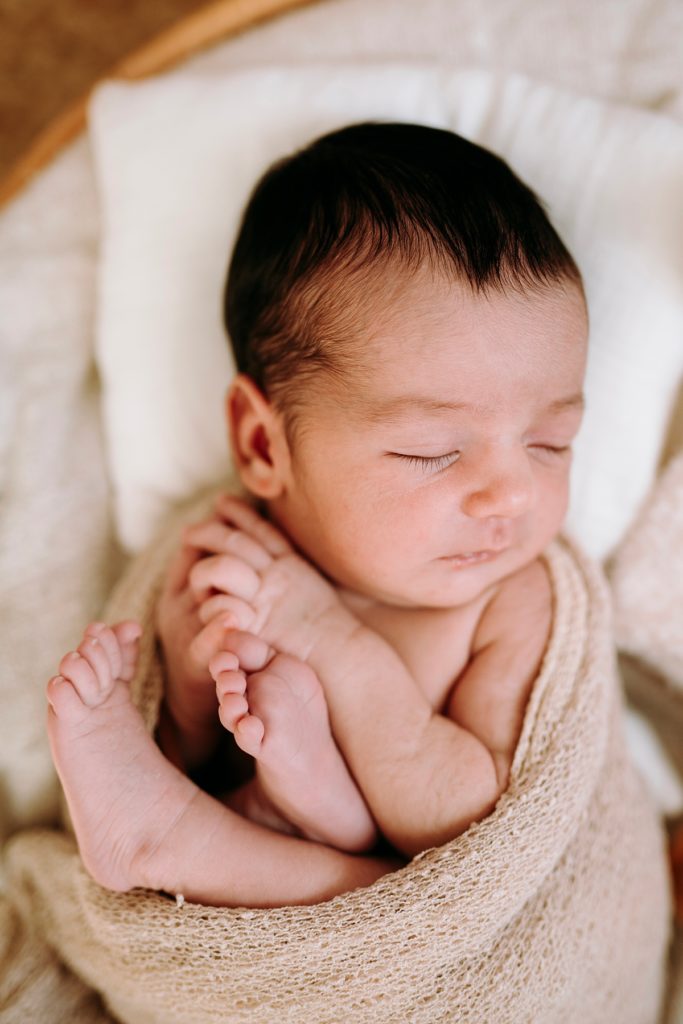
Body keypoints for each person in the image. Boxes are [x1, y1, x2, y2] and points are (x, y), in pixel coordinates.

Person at [45, 122, 589, 909]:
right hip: (247, 868)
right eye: (433, 451)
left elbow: (468, 821)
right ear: (263, 443)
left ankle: (191, 837)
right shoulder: (237, 555)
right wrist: (191, 692)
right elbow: (188, 755)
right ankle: (270, 810)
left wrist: (323, 635)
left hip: (414, 917)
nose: (509, 494)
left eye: (551, 442)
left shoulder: (508, 599)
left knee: (377, 888)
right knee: (209, 780)